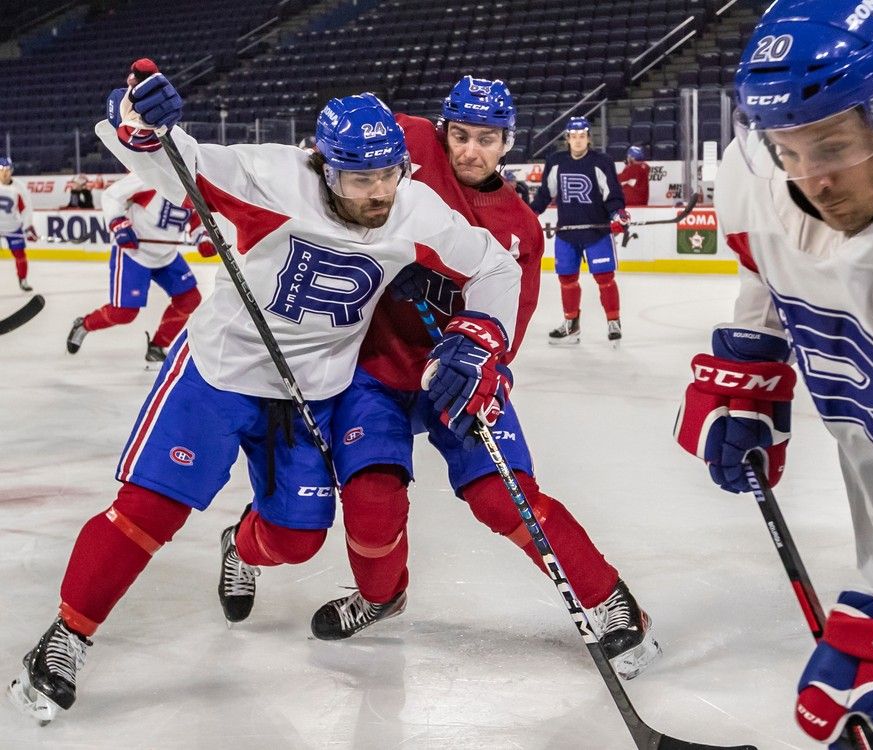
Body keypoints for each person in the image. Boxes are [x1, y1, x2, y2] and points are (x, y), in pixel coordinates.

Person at [7, 58, 521, 724]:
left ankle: (237, 545)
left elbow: (495, 267)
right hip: (220, 372)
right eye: (359, 178)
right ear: (324, 167)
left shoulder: (414, 207)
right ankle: (67, 636)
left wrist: (476, 336)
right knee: (150, 509)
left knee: (298, 536)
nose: (378, 193)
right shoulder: (274, 177)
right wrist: (139, 115)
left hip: (312, 393)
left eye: (389, 175)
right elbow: (170, 159)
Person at [674, 2, 873, 748]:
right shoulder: (756, 172)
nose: (810, 178)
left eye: (831, 146)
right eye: (788, 149)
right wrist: (752, 359)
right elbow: (768, 255)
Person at [279, 75, 659, 682]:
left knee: (503, 497)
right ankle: (381, 596)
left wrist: (480, 365)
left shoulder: (520, 228)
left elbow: (508, 327)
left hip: (457, 376)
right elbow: (325, 159)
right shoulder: (406, 140)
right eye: (459, 135)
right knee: (371, 501)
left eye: (486, 139)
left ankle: (613, 602)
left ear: (508, 141)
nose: (469, 151)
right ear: (441, 129)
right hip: (373, 369)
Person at [65, 171, 209, 362]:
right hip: (135, 254)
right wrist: (119, 224)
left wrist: (203, 238)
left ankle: (157, 346)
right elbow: (111, 195)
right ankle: (84, 325)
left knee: (189, 299)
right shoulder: (150, 176)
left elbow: (197, 220)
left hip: (166, 256)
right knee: (124, 313)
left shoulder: (194, 187)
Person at [529, 117, 629, 346]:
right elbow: (546, 194)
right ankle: (571, 325)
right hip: (567, 233)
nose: (577, 141)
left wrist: (618, 214)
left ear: (588, 138)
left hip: (597, 233)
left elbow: (612, 195)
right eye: (573, 137)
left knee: (604, 278)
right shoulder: (556, 161)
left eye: (582, 136)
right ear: (567, 139)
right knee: (566, 280)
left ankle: (613, 321)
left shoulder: (601, 161)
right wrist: (530, 213)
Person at [0, 156, 37, 291]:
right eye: (1, 169)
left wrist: (28, 227)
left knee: (20, 254)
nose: (4, 172)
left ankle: (23, 280)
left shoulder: (19, 188)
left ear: (12, 171)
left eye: (7, 169)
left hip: (12, 226)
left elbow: (26, 209)